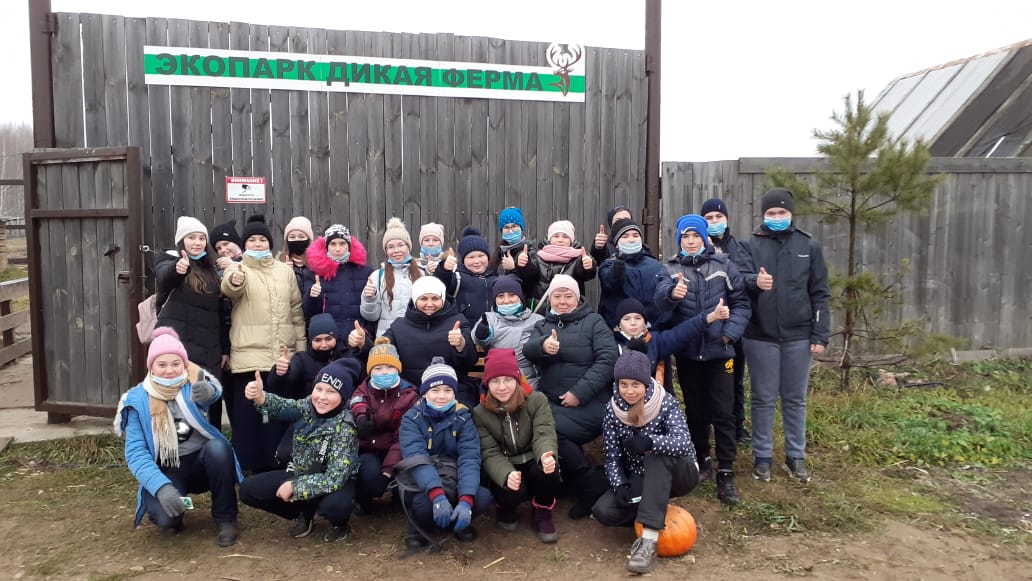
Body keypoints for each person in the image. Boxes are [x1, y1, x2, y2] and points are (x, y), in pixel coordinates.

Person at [655, 214, 750, 505]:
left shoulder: (723, 266)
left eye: (695, 235)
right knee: (695, 410)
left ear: (704, 238)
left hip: (721, 353)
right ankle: (702, 460)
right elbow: (659, 303)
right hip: (688, 354)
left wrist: (729, 334)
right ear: (679, 240)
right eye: (685, 236)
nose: (691, 241)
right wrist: (673, 295)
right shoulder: (670, 268)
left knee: (723, 412)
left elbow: (741, 303)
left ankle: (726, 470)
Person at [115, 327, 242, 547]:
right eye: (162, 365)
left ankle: (226, 518)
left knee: (219, 448)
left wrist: (209, 392)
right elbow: (136, 454)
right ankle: (172, 513)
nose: (169, 371)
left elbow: (211, 391)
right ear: (151, 366)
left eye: (175, 364)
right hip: (167, 468)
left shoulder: (193, 384)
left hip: (201, 462)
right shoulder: (136, 400)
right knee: (166, 520)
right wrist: (161, 487)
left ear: (184, 364)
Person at [736, 188, 830, 484]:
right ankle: (762, 457)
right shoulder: (749, 245)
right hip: (760, 335)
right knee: (762, 398)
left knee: (794, 398)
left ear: (791, 214)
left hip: (798, 336)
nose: (777, 217)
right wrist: (756, 281)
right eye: (771, 213)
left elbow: (820, 293)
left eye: (782, 212)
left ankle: (795, 456)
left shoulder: (808, 246)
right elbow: (739, 280)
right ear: (763, 215)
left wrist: (820, 334)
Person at [592, 346, 700, 574]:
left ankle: (648, 543)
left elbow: (683, 443)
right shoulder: (612, 411)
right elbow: (612, 456)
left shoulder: (665, 402)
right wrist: (619, 484)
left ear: (645, 384)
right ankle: (653, 509)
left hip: (680, 472)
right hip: (641, 476)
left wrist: (651, 442)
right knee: (604, 510)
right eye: (624, 385)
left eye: (635, 385)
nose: (629, 391)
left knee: (656, 458)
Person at [523, 274, 618, 518]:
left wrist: (579, 392)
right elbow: (528, 350)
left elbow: (608, 359)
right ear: (550, 299)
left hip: (590, 402)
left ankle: (589, 485)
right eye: (557, 296)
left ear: (577, 298)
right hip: (552, 402)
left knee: (550, 430)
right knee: (539, 424)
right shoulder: (543, 324)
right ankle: (573, 481)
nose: (562, 301)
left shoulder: (594, 322)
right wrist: (543, 346)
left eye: (568, 296)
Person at [238, 358, 362, 543]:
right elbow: (285, 407)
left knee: (335, 506)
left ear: (343, 396)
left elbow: (334, 479)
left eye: (331, 392)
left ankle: (339, 524)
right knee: (248, 490)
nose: (322, 397)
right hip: (302, 472)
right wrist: (261, 397)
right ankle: (304, 512)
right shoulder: (308, 405)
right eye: (318, 389)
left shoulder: (346, 427)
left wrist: (295, 487)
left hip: (335, 482)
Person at [221, 214, 306, 472]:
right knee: (249, 420)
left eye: (262, 239)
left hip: (281, 358)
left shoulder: (284, 272)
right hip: (249, 358)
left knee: (278, 416)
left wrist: (301, 353)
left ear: (269, 243)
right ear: (244, 244)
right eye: (252, 240)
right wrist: (235, 280)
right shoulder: (237, 269)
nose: (257, 244)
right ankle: (248, 468)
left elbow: (296, 312)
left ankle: (279, 465)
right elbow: (230, 288)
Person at [397, 358, 493, 549]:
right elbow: (416, 458)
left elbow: (469, 458)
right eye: (435, 390)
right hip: (422, 480)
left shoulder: (464, 418)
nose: (442, 396)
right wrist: (437, 495)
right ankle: (420, 527)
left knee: (482, 498)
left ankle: (457, 521)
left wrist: (466, 500)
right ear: (424, 392)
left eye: (448, 390)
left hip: (453, 476)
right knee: (423, 504)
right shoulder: (411, 419)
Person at [472, 348, 560, 543]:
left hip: (533, 456)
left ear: (517, 380)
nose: (502, 387)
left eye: (508, 380)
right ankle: (505, 507)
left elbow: (544, 432)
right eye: (495, 381)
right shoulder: (480, 412)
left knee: (548, 469)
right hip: (506, 461)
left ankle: (542, 513)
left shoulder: (536, 400)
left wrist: (545, 454)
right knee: (509, 487)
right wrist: (505, 474)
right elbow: (489, 452)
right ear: (487, 384)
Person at [153, 216, 229, 416]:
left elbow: (220, 314)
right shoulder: (169, 260)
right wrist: (177, 269)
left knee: (209, 407)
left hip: (210, 351)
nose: (197, 243)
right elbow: (164, 276)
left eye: (201, 238)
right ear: (181, 241)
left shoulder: (211, 269)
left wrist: (224, 350)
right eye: (191, 237)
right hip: (181, 348)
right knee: (182, 410)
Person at [383, 275, 480, 409]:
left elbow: (469, 362)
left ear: (443, 299)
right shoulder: (399, 326)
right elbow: (381, 348)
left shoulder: (457, 321)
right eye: (423, 299)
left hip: (452, 390)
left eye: (435, 298)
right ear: (415, 300)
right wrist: (363, 343)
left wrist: (461, 345)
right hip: (411, 393)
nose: (429, 304)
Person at [700, 197, 752, 445]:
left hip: (733, 329)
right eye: (709, 218)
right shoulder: (697, 248)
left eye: (718, 217)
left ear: (727, 219)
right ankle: (707, 424)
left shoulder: (740, 249)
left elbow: (745, 284)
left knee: (734, 379)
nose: (714, 221)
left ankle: (737, 425)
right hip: (706, 327)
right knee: (705, 382)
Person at [348, 337, 419, 515]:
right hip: (369, 449)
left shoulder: (410, 395)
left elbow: (404, 436)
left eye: (389, 367)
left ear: (398, 369)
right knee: (367, 472)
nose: (384, 372)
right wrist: (361, 420)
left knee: (406, 471)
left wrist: (387, 472)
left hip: (398, 450)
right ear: (370, 371)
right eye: (378, 368)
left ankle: (399, 495)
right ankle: (363, 499)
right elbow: (358, 405)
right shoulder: (362, 390)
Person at [471, 275, 544, 388]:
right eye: (500, 296)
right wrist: (482, 335)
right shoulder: (489, 318)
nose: (506, 300)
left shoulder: (536, 320)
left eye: (511, 295)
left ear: (520, 297)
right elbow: (479, 341)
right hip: (498, 379)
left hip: (529, 382)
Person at [305, 224, 374, 338]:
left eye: (342, 243)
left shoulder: (365, 272)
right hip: (328, 340)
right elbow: (308, 313)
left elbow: (372, 311)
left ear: (349, 246)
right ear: (326, 246)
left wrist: (366, 334)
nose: (337, 248)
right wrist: (312, 296)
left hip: (357, 337)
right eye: (333, 244)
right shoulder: (314, 273)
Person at [597, 217, 667, 330]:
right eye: (625, 236)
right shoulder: (609, 264)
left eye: (635, 235)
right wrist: (617, 268)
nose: (631, 240)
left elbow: (663, 300)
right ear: (616, 243)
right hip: (619, 332)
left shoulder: (656, 265)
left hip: (652, 332)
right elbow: (609, 281)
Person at [361, 217, 425, 337]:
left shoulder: (423, 274)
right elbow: (370, 316)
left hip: (418, 338)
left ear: (408, 246)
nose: (396, 250)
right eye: (390, 247)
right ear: (386, 251)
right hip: (387, 339)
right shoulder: (377, 276)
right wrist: (369, 298)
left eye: (400, 245)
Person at [435, 226, 498, 323]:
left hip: (494, 329)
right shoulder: (457, 278)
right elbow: (439, 285)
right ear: (463, 260)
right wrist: (444, 270)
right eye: (471, 257)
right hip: (465, 329)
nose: (477, 261)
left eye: (481, 256)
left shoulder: (496, 277)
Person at [526, 220, 597, 303]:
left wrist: (588, 266)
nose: (560, 240)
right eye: (556, 236)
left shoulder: (579, 258)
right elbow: (528, 275)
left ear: (571, 240)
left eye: (565, 237)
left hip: (569, 306)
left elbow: (586, 275)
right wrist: (523, 265)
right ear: (549, 239)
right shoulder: (537, 257)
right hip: (541, 306)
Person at [491, 206, 538, 301]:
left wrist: (514, 267)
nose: (510, 231)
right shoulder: (499, 253)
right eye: (506, 227)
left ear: (521, 228)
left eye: (514, 226)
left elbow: (532, 282)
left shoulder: (530, 252)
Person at [280, 216, 315, 298]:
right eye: (292, 237)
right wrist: (283, 273)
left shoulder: (318, 263)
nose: (296, 240)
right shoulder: (279, 263)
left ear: (309, 239)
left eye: (301, 237)